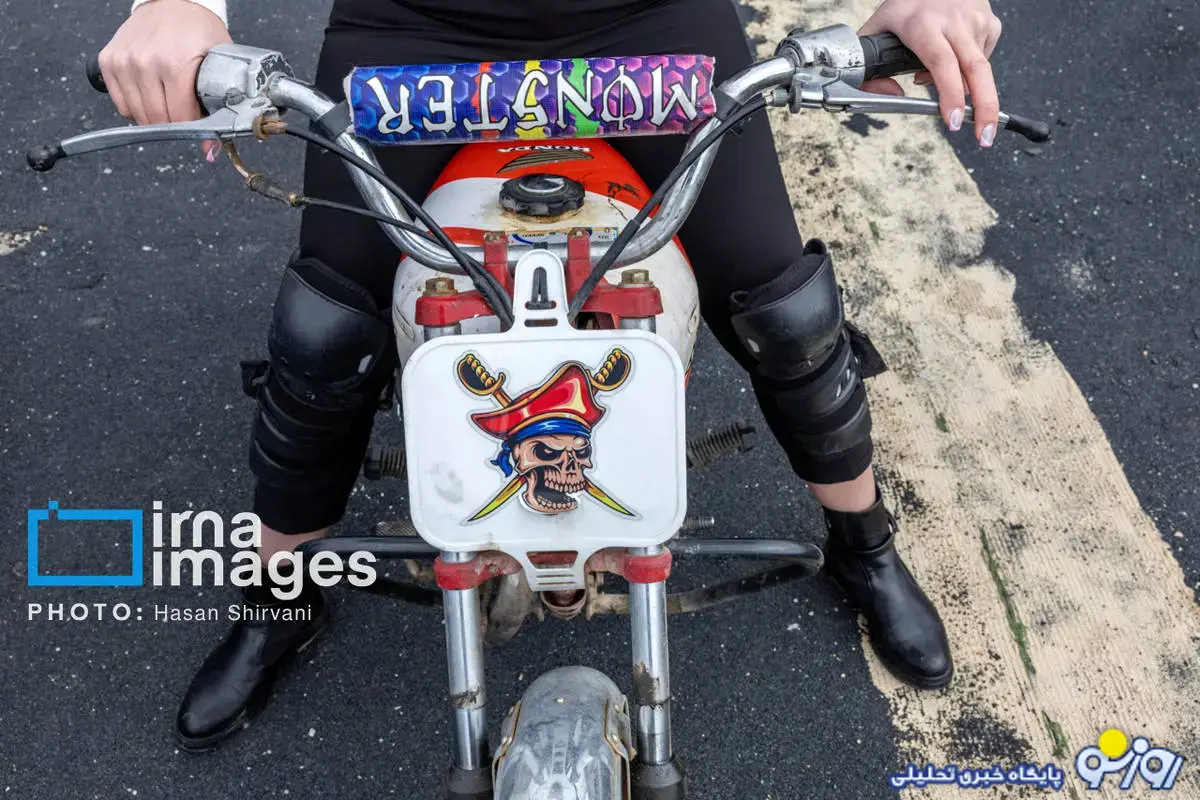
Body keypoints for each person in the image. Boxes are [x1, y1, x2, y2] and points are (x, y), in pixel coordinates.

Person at [99, 0, 1004, 750]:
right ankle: (282, 591)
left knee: (786, 311)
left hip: (648, 20)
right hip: (412, 26)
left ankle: (862, 543)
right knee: (325, 329)